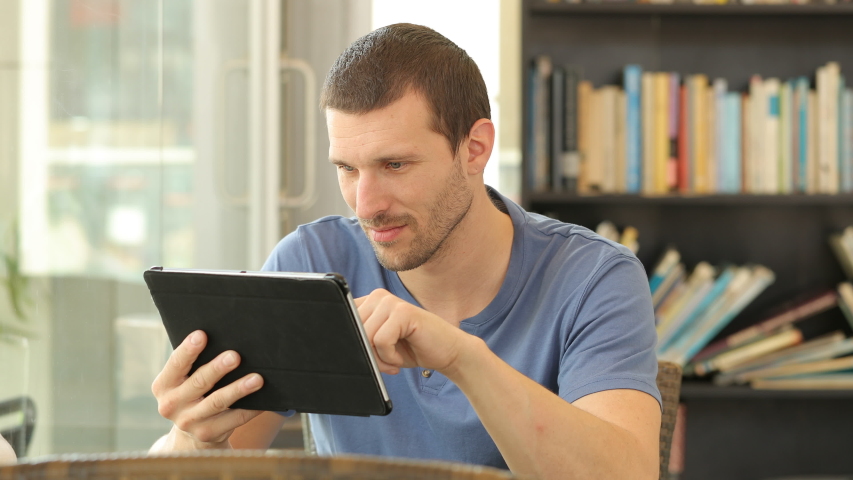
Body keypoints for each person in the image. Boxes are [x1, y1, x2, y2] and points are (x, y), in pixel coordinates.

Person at [150, 23, 661, 480]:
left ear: (475, 149)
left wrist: (462, 358)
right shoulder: (310, 261)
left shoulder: (594, 278)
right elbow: (207, 464)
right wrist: (192, 436)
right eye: (347, 169)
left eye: (395, 165)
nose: (366, 205)